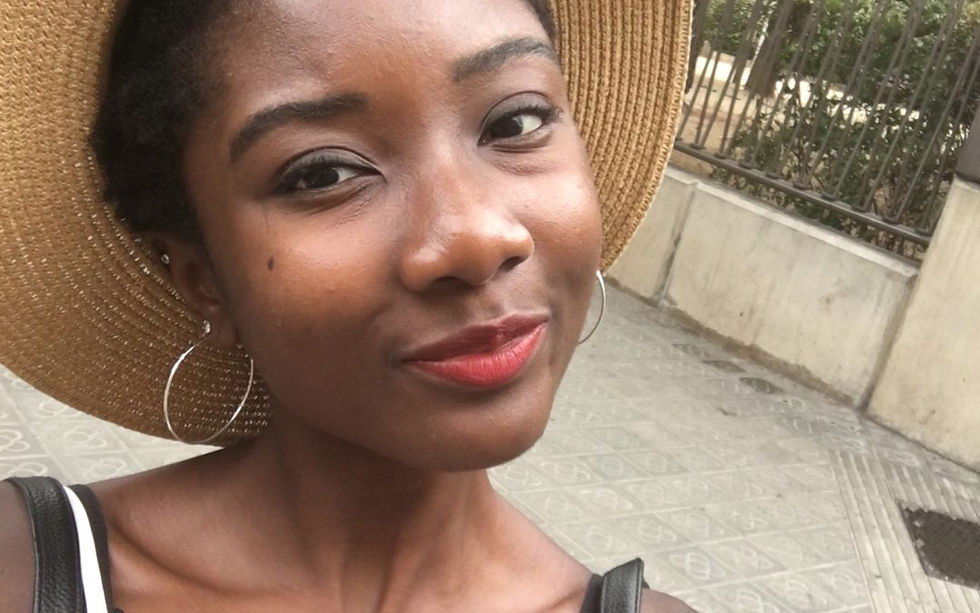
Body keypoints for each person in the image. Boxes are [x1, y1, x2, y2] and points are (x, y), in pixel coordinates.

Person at [0, 0, 695, 611]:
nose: (477, 238)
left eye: (516, 121)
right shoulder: (19, 569)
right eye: (323, 173)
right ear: (200, 275)